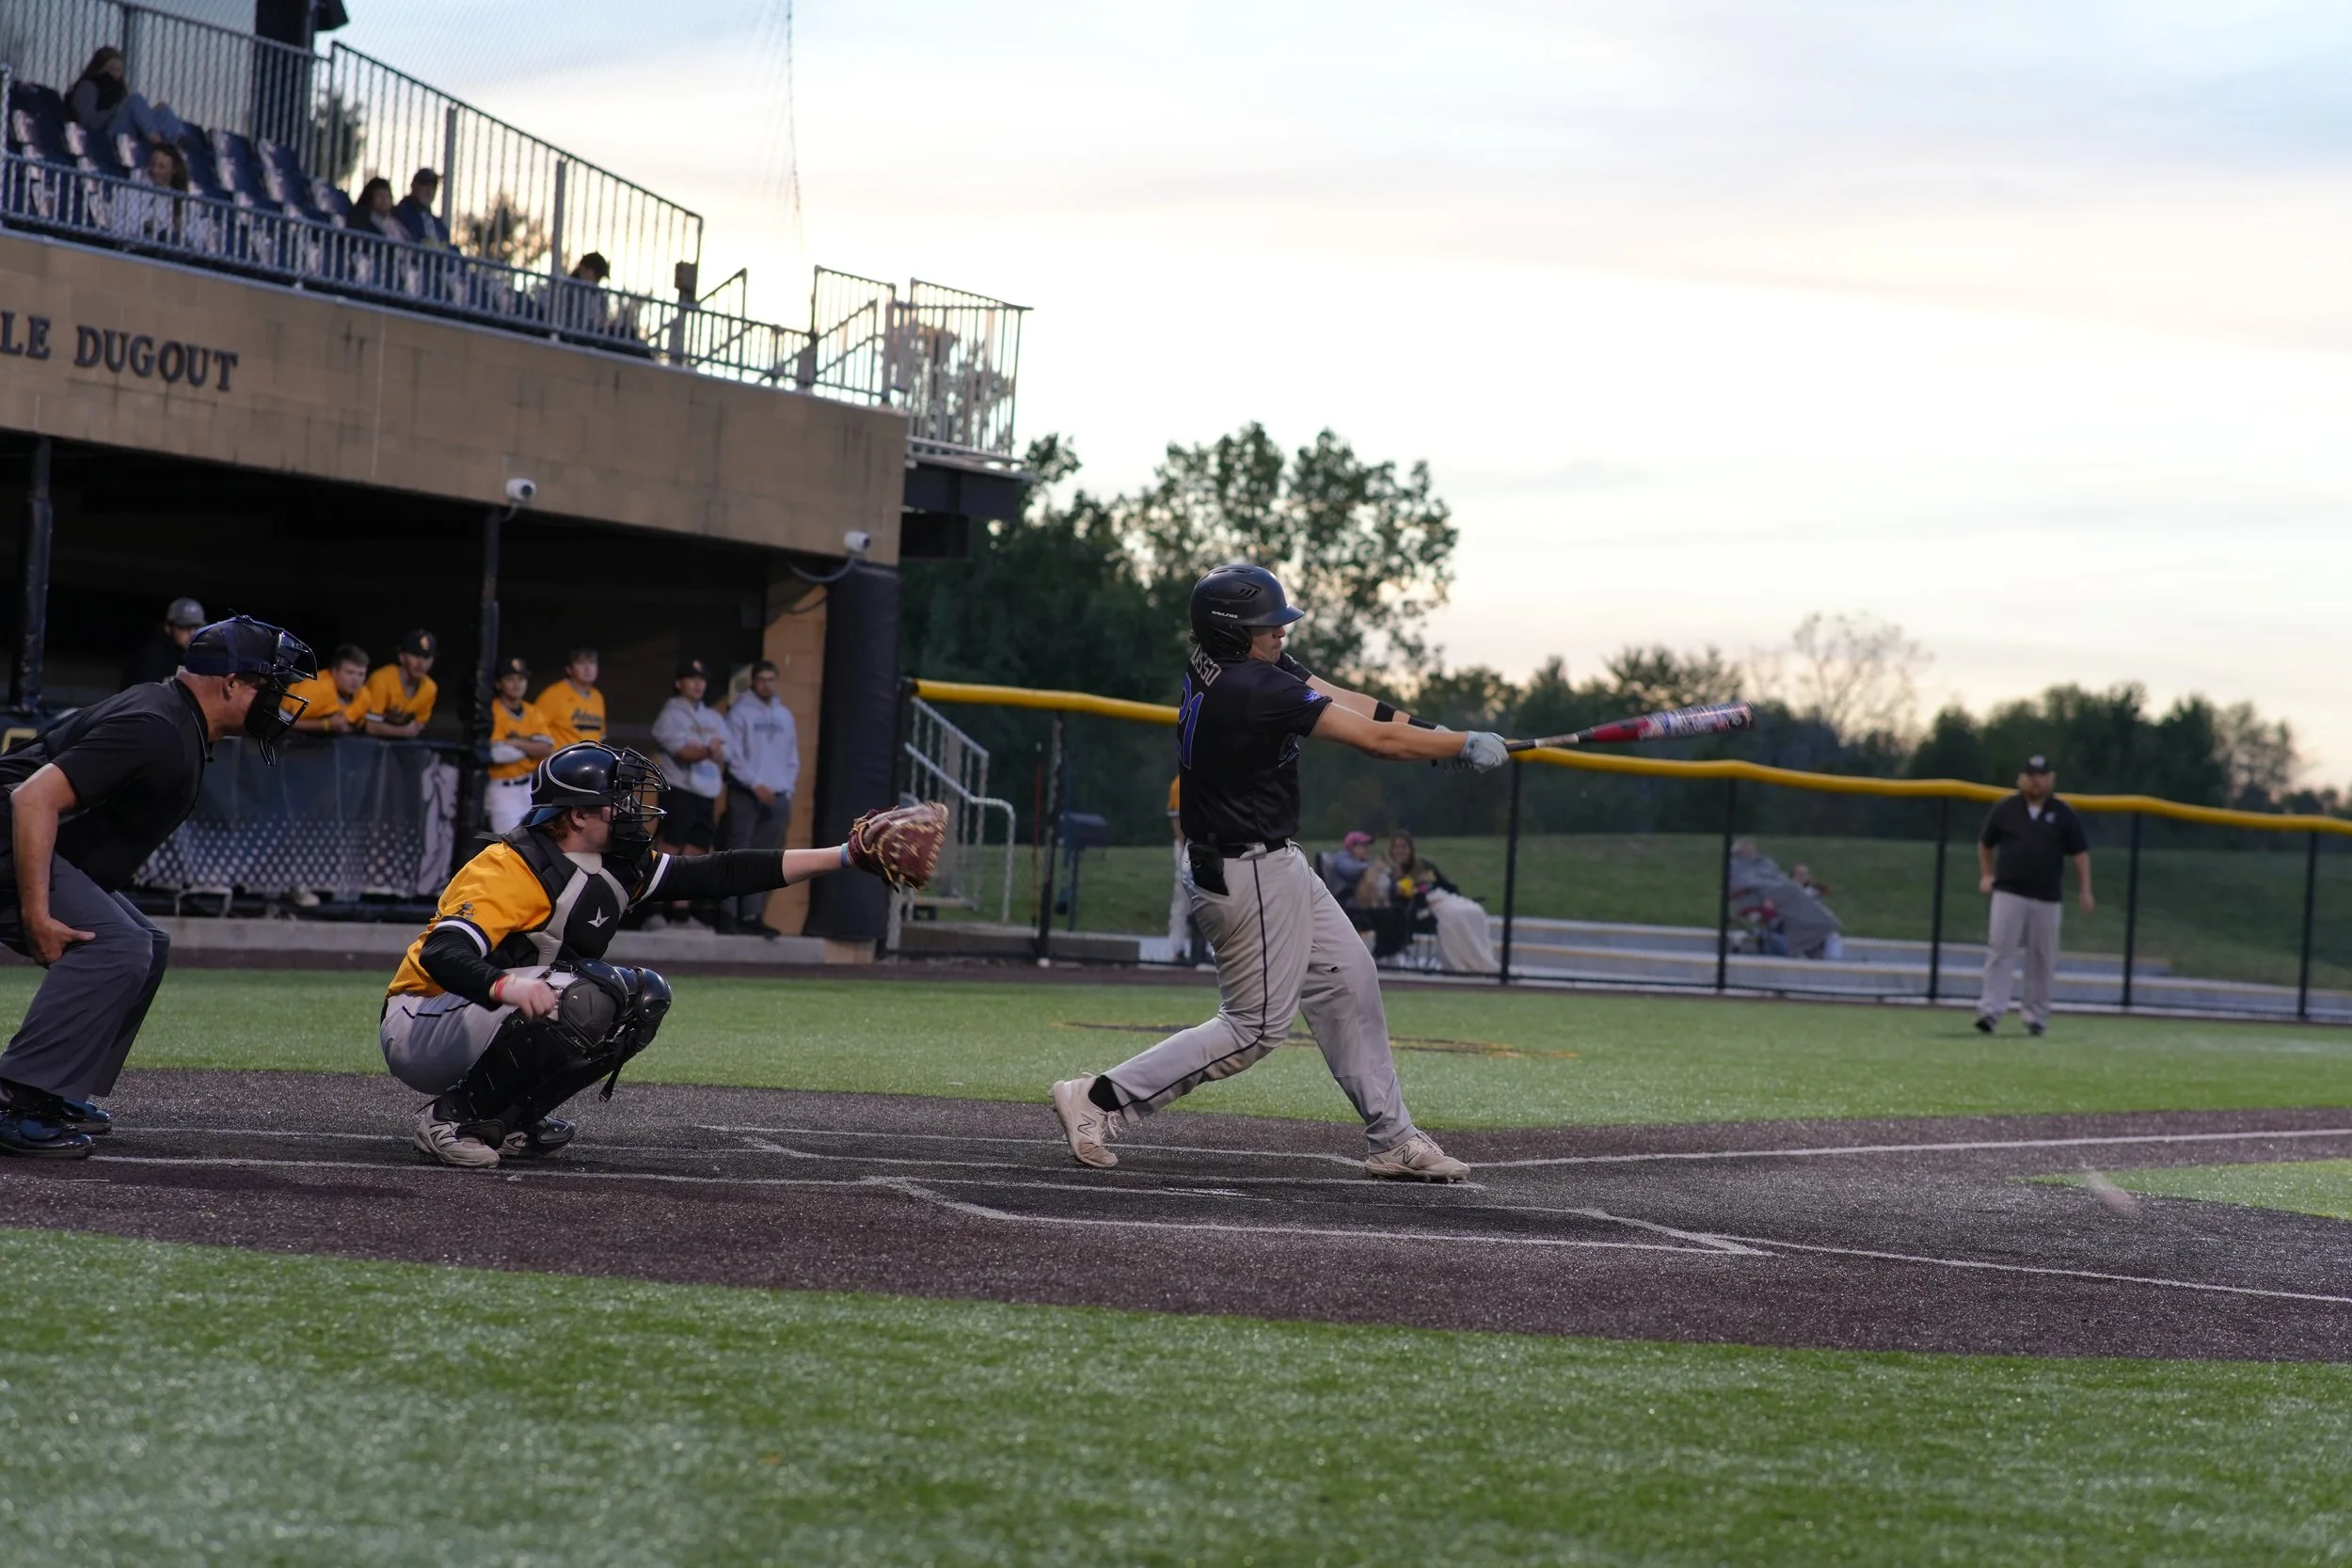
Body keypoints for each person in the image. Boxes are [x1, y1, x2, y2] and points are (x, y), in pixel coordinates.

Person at [1049, 563, 1507, 1180]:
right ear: (1235, 634)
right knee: (1255, 1029)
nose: (1280, 633)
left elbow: (1350, 700)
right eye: (1268, 625)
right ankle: (1099, 1097)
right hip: (1245, 872)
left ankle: (1393, 1138)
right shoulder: (1251, 689)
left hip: (1268, 860)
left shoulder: (1223, 662)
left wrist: (1442, 736)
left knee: (1349, 974)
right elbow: (1374, 740)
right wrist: (1454, 747)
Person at [381, 742, 884, 1167]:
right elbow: (442, 952)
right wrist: (505, 984)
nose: (631, 810)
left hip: (493, 1013)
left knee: (643, 997)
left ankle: (508, 1119)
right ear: (577, 814)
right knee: (585, 995)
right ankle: (448, 1118)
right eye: (616, 801)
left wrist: (845, 855)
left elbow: (720, 873)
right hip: (422, 1018)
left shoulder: (617, 863)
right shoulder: (510, 866)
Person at [0, 616, 311, 1156]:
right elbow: (31, 799)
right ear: (232, 683)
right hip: (9, 836)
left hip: (23, 841)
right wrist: (36, 913)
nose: (279, 699)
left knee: (148, 942)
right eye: (270, 684)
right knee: (120, 946)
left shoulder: (177, 718)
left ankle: (58, 1087)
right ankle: (19, 1098)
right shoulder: (157, 725)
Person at [1975, 754, 2093, 1037]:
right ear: (2022, 778)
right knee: (2000, 950)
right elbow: (1986, 843)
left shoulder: (2062, 813)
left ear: (2050, 778)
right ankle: (1991, 1011)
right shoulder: (2006, 809)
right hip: (2009, 891)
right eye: (2030, 775)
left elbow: (2079, 853)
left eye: (2041, 775)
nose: (2036, 780)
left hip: (2047, 896)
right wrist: (1987, 874)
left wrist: (2085, 889)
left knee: (2042, 957)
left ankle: (2036, 1015)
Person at [648, 657, 728, 928]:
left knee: (695, 850)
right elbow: (683, 751)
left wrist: (706, 750)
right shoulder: (671, 714)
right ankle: (654, 909)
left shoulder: (712, 716)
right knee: (671, 847)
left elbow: (726, 754)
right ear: (679, 683)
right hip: (679, 788)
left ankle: (681, 913)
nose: (698, 684)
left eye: (702, 679)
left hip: (705, 793)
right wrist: (707, 750)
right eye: (692, 679)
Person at [721, 658, 798, 937]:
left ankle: (752, 914)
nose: (766, 684)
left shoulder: (784, 716)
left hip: (776, 796)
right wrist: (755, 784)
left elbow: (792, 757)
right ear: (753, 682)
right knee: (736, 854)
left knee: (764, 859)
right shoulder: (740, 713)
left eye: (771, 679)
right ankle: (728, 915)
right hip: (746, 793)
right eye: (761, 679)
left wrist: (785, 789)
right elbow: (733, 755)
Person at [1378, 831, 1498, 974]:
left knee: (1474, 911)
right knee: (1454, 916)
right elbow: (1391, 896)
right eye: (1396, 847)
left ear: (1410, 849)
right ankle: (1460, 963)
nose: (1400, 851)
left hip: (1444, 898)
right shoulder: (1387, 871)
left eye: (1403, 847)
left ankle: (1480, 961)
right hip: (1422, 910)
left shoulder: (1424, 865)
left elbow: (1446, 885)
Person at [66, 47, 188, 150]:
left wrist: (150, 112)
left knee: (163, 110)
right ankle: (156, 139)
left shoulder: (119, 90)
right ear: (99, 68)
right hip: (104, 135)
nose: (115, 74)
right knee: (134, 100)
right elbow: (88, 122)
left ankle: (178, 144)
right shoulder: (88, 86)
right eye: (111, 69)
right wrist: (116, 109)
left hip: (126, 130)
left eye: (119, 70)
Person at [485, 657, 555, 833]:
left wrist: (515, 743)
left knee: (536, 843)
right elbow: (497, 754)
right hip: (501, 789)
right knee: (507, 846)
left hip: (528, 788)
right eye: (510, 679)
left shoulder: (532, 712)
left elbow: (547, 748)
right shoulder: (491, 711)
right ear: (499, 684)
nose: (516, 684)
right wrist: (531, 746)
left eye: (521, 679)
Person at [347, 629, 438, 737]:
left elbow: (418, 726)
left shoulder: (430, 688)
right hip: (363, 739)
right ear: (402, 657)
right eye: (416, 655)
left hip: (400, 743)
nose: (421, 663)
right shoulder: (382, 679)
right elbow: (370, 726)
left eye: (427, 657)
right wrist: (403, 731)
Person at [119, 595, 207, 688]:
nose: (192, 633)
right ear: (168, 628)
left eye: (197, 627)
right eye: (185, 627)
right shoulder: (150, 658)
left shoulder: (200, 655)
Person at [284, 643, 368, 736]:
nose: (356, 679)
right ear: (334, 671)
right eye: (350, 672)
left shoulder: (364, 695)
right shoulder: (314, 688)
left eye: (361, 674)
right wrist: (326, 724)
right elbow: (283, 720)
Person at [536, 648, 607, 750]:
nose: (587, 668)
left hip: (591, 763)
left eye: (592, 663)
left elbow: (600, 736)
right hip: (561, 763)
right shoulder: (552, 695)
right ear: (569, 669)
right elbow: (533, 735)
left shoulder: (598, 697)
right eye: (581, 663)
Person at [391, 168, 450, 248]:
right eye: (425, 185)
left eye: (433, 186)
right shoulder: (400, 213)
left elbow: (449, 247)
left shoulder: (438, 224)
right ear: (413, 186)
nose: (430, 191)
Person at [350, 176, 409, 243]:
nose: (384, 199)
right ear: (370, 198)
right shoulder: (360, 218)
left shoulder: (396, 221)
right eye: (379, 195)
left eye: (387, 195)